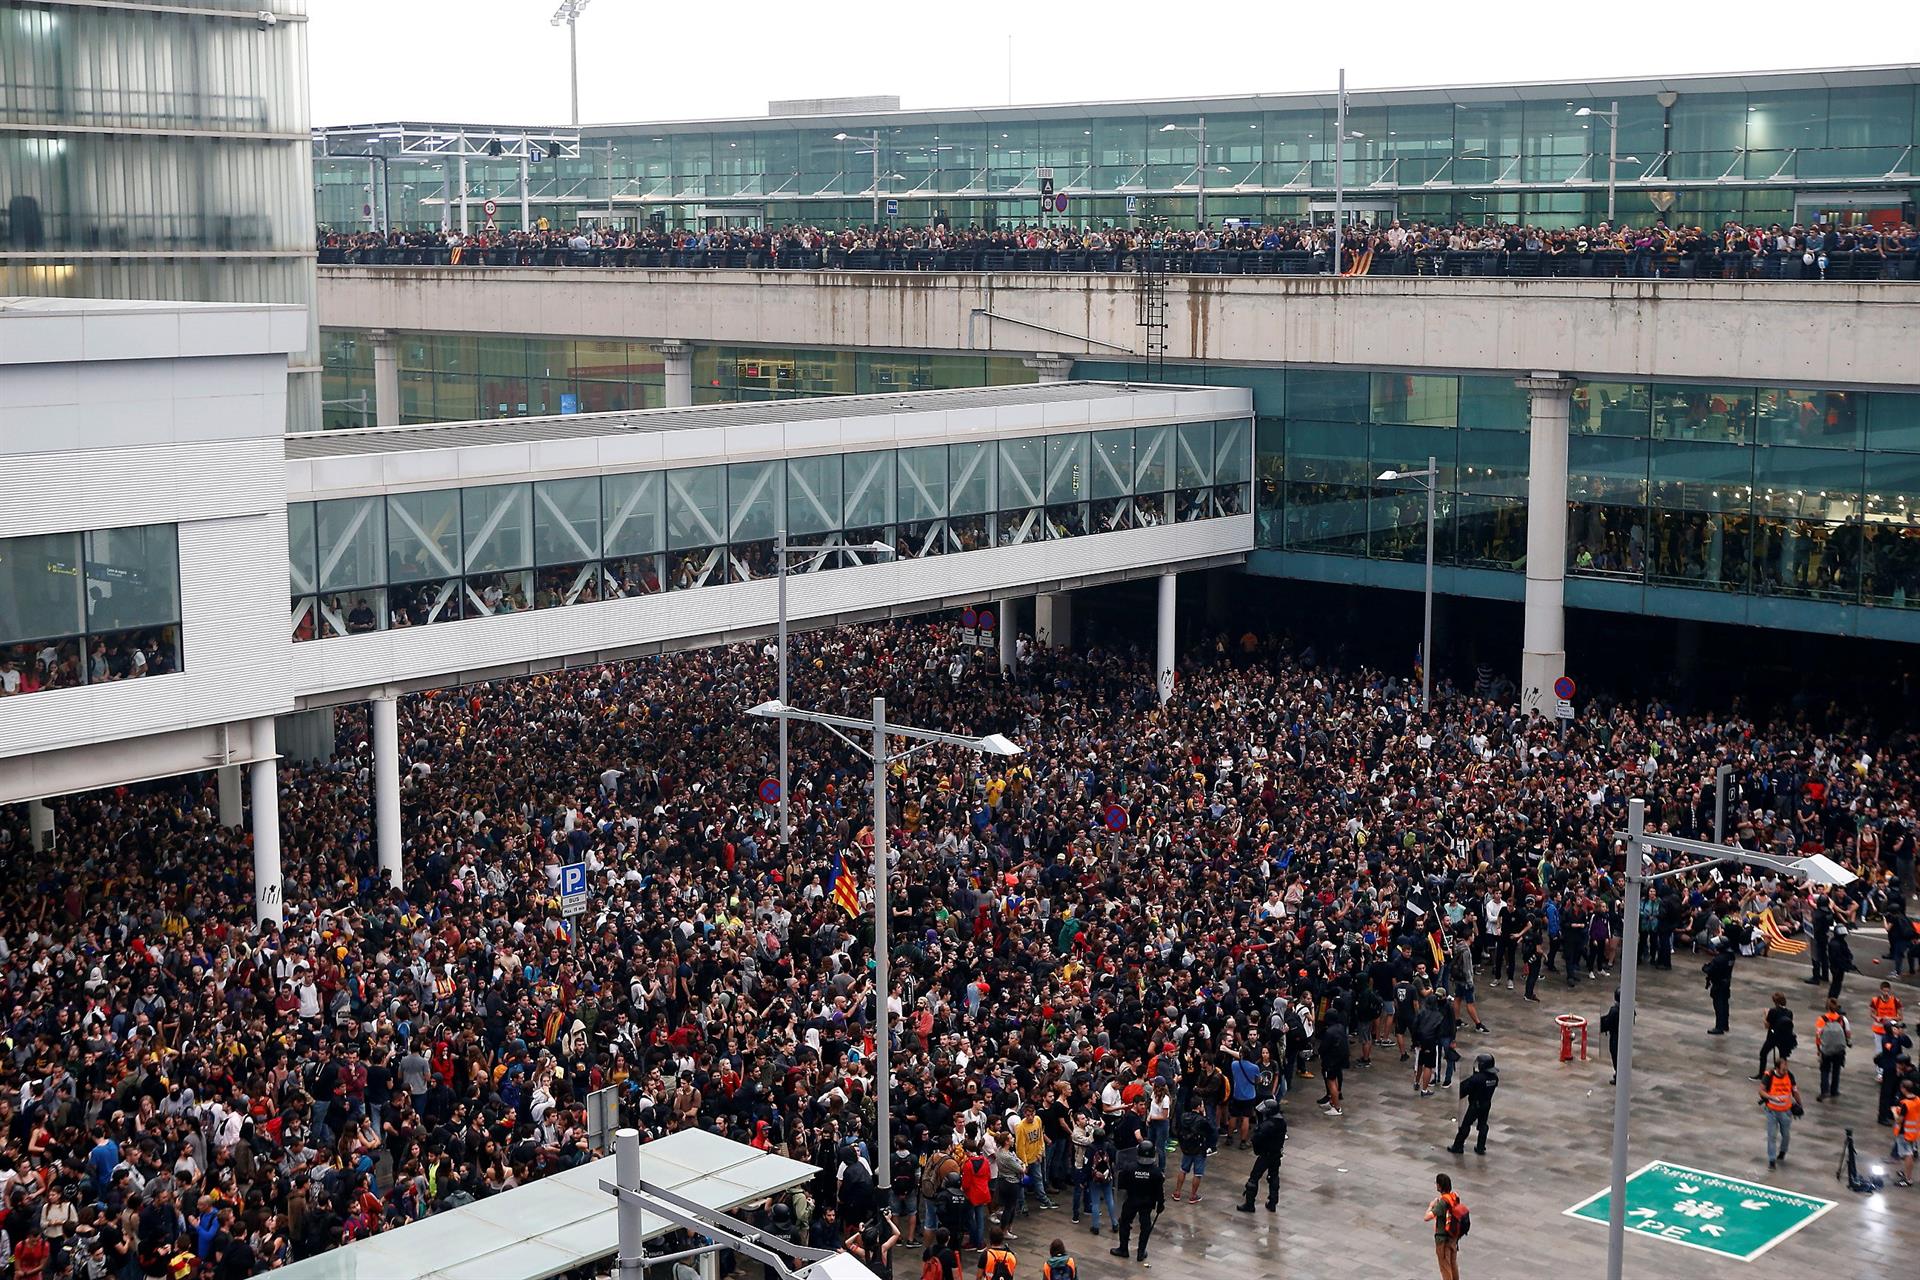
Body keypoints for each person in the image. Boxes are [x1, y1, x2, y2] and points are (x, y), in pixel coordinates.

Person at [1109, 1142, 1164, 1268]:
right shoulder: (1156, 1172)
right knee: (1145, 1227)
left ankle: (1123, 1249)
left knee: (1124, 1223)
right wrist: (1160, 1204)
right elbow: (1159, 1191)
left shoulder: (1130, 1167)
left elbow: (1121, 1184)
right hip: (1147, 1203)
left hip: (1132, 1200)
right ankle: (1141, 1252)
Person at [1235, 1098, 1287, 1213]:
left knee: (1253, 1179)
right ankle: (1273, 1202)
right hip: (1276, 1154)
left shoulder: (1267, 1125)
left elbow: (1256, 1139)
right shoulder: (1281, 1122)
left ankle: (1249, 1204)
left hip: (1265, 1155)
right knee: (1273, 1176)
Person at [1448, 1054, 1500, 1156]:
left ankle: (1458, 1146)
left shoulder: (1477, 1078)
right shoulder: (1494, 1078)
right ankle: (1480, 1147)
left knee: (1466, 1125)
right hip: (1486, 1104)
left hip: (1476, 1105)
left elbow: (1464, 1089)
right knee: (1483, 1125)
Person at [1168, 1098, 1213, 1205]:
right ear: (1198, 1107)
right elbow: (1210, 1130)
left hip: (1186, 1148)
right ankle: (1193, 1195)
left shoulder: (1184, 1117)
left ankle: (1177, 1192)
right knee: (1198, 1173)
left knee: (1183, 1169)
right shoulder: (1201, 1120)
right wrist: (1205, 1116)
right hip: (1199, 1148)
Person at [1758, 1057, 1801, 1170]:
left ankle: (1783, 1150)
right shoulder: (1769, 1076)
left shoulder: (1790, 1076)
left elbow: (1795, 1091)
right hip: (1772, 1111)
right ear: (1777, 1068)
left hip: (1786, 1112)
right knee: (1771, 1135)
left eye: (1786, 1068)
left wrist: (1799, 1105)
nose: (1785, 1071)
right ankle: (1772, 1160)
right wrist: (1771, 1097)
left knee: (1785, 1134)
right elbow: (1761, 1090)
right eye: (1783, 1069)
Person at [1424, 1173, 1465, 1280]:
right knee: (1453, 1264)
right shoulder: (1454, 1197)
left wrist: (1431, 1206)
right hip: (1453, 1238)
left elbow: (1427, 1217)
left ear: (1439, 1186)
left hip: (1443, 1240)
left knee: (1445, 1268)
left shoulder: (1442, 1202)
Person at [1813, 998, 1852, 1101]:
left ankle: (1824, 1091)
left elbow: (1818, 1035)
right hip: (1839, 1050)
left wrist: (1818, 1049)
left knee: (1825, 1070)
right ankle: (1834, 1091)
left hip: (1826, 1049)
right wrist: (1847, 1042)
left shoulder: (1821, 1019)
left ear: (1826, 1007)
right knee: (1836, 1070)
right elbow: (1848, 1033)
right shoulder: (1842, 1019)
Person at [1752, 991, 1797, 1079]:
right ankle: (1783, 1074)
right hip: (1785, 1038)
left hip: (1773, 1037)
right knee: (1783, 1057)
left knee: (1763, 1053)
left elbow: (1767, 1025)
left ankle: (1761, 1074)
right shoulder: (1789, 1012)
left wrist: (1765, 1014)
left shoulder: (1773, 1011)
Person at [1890, 1079, 1920, 1188]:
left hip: (1904, 1132)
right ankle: (1906, 1172)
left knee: (1908, 1155)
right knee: (1909, 1153)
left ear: (1903, 1089)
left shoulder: (1905, 1104)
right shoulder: (1917, 1100)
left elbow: (1899, 1120)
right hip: (1913, 1131)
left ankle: (1908, 1179)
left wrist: (1894, 1111)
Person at [1703, 939, 1736, 1035]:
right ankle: (1725, 1025)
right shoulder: (1731, 956)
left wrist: (1705, 967)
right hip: (1726, 983)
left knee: (1719, 1006)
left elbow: (1710, 970)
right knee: (1725, 1004)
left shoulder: (1719, 959)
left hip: (1718, 984)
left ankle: (1719, 1027)